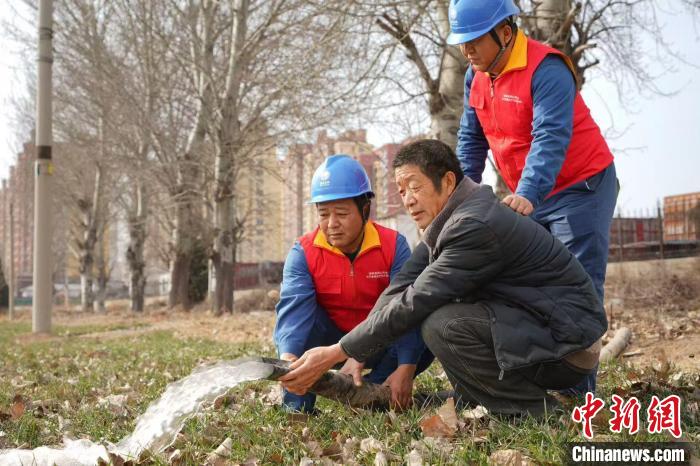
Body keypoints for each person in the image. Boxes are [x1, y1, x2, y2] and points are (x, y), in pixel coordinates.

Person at [279, 140, 607, 416]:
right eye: (401, 190)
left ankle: (534, 411)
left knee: (441, 323)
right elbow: (400, 287)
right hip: (543, 331)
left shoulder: (473, 226)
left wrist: (336, 351)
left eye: (415, 187)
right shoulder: (449, 222)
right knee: (439, 317)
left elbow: (416, 300)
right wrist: (356, 354)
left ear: (447, 182)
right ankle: (477, 397)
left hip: (568, 347)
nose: (407, 199)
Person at [448, 0, 618, 393]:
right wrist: (457, 199)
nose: (466, 51)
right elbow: (471, 141)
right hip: (531, 193)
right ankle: (535, 379)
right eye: (462, 43)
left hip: (581, 187)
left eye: (474, 41)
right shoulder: (476, 76)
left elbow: (550, 137)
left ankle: (578, 395)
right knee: (524, 284)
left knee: (578, 288)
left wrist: (527, 193)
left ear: (504, 32)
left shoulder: (547, 68)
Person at [274, 154, 433, 412]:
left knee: (425, 329)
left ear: (365, 209)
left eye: (342, 213)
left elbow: (408, 308)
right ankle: (297, 405)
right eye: (323, 214)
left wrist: (406, 366)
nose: (332, 224)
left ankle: (375, 391)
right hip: (329, 343)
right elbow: (293, 310)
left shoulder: (393, 246)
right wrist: (289, 361)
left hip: (380, 341)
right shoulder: (303, 252)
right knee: (299, 333)